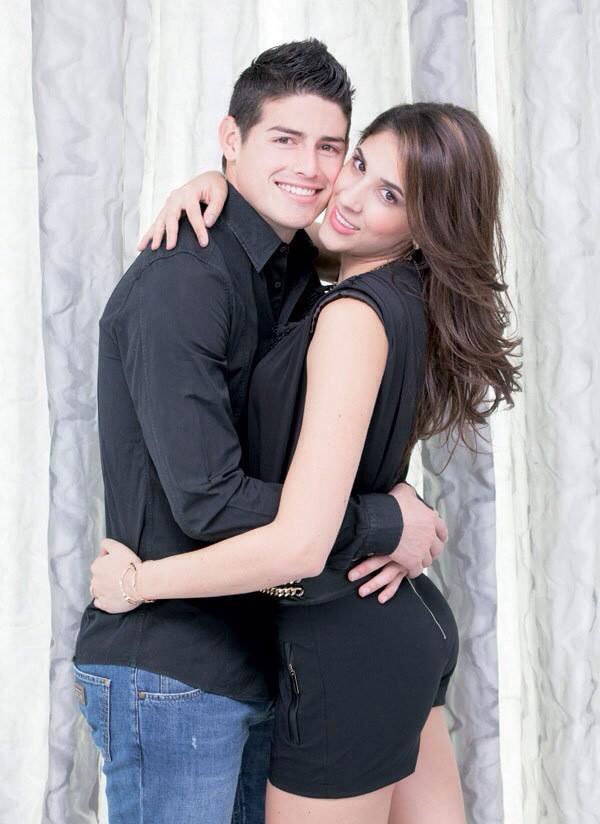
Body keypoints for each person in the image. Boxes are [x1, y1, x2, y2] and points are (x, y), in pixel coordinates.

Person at [89, 101, 522, 823]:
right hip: (393, 624)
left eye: (390, 195)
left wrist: (139, 581)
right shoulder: (391, 295)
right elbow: (282, 244)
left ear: (426, 225)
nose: (349, 196)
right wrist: (217, 182)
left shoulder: (352, 317)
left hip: (345, 646)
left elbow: (299, 545)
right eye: (359, 164)